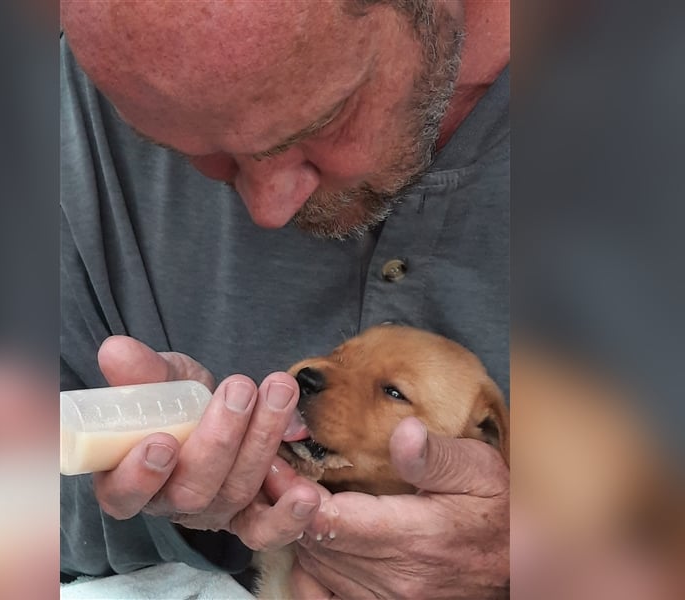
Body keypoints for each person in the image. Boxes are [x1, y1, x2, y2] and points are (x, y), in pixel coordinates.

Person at [59, 0, 509, 597]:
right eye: (192, 151)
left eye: (324, 122)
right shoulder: (65, 112)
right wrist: (166, 489)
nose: (269, 210)